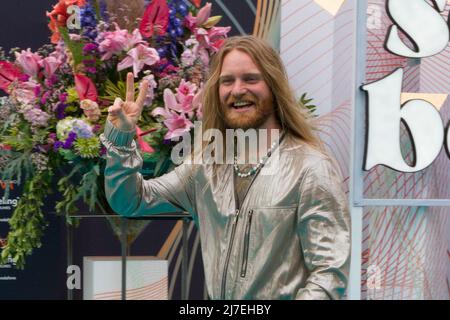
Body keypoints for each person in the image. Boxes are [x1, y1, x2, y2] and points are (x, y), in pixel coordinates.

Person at [100, 35, 351, 300]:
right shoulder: (205, 167)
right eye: (227, 81)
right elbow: (131, 201)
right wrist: (121, 139)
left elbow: (329, 273)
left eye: (251, 79)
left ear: (274, 86)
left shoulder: (311, 168)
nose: (237, 90)